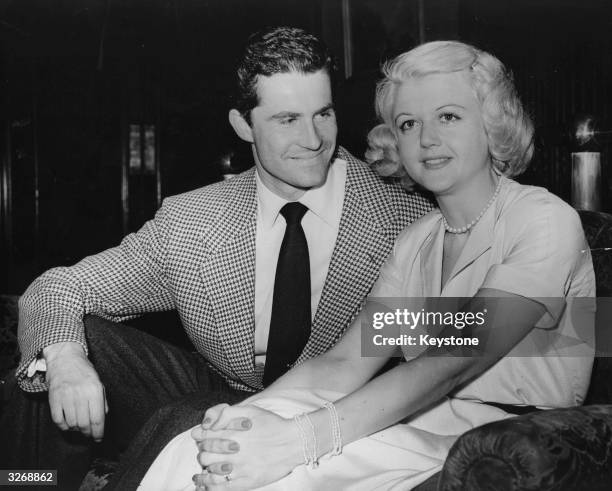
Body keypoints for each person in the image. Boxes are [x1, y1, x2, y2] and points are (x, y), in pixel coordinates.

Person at [138, 40, 596, 491]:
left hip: (510, 442)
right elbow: (345, 362)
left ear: (493, 124)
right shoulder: (417, 241)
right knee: (200, 448)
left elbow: (453, 362)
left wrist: (298, 439)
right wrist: (250, 416)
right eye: (408, 123)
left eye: (449, 116)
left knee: (290, 472)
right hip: (417, 421)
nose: (427, 139)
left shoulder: (542, 219)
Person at [0, 27, 431, 489]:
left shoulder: (408, 218)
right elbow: (58, 287)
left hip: (335, 413)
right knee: (56, 352)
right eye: (287, 120)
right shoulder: (193, 219)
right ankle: (28, 483)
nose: (313, 139)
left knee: (184, 419)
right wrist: (65, 361)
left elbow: (457, 351)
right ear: (243, 125)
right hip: (220, 390)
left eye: (323, 114)